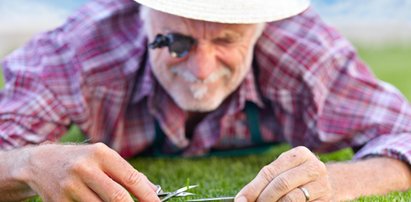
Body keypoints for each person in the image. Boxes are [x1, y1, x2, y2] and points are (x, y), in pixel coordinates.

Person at [1, 0, 411, 201]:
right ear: (143, 17)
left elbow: (404, 136)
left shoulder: (305, 53)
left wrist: (336, 182)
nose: (201, 70)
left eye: (226, 41)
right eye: (176, 42)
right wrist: (29, 163)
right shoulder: (80, 52)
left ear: (259, 29)